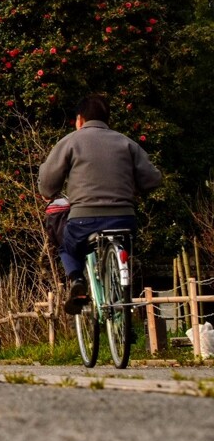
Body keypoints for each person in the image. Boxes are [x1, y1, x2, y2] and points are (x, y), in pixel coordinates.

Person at [38, 94, 163, 314]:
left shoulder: (71, 141)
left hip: (83, 220)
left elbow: (47, 184)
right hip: (124, 220)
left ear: (79, 120)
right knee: (121, 241)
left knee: (66, 247)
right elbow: (153, 179)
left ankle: (77, 281)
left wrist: (49, 192)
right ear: (108, 120)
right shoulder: (127, 143)